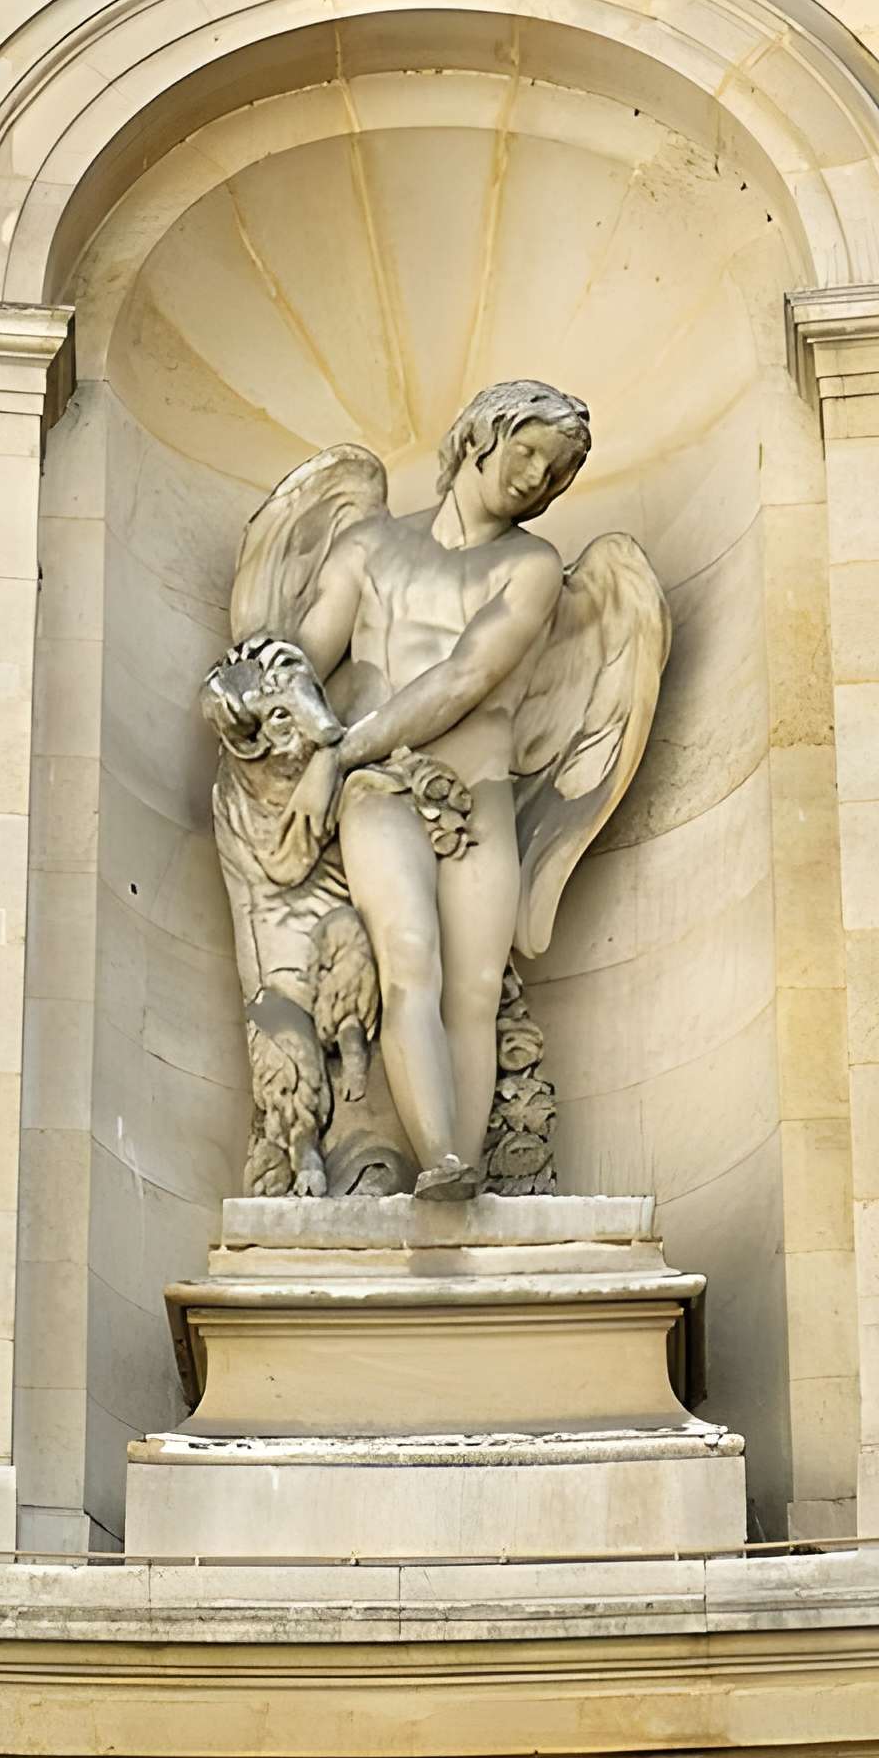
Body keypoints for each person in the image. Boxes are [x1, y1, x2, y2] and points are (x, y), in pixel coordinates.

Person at [281, 382, 593, 1197]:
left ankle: (462, 1164)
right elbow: (302, 659)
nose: (536, 476)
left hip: (476, 792)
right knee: (409, 955)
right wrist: (267, 698)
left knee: (477, 991)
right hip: (380, 788)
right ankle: (442, 1160)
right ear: (479, 437)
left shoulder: (531, 566)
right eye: (527, 450)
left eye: (555, 471)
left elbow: (464, 678)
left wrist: (337, 754)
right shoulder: (368, 547)